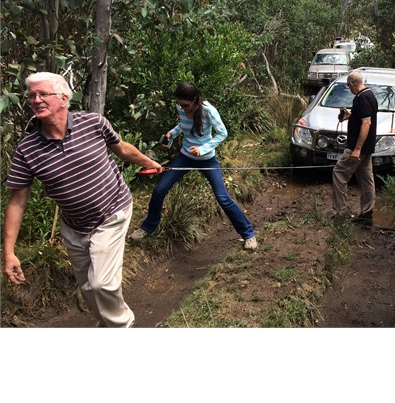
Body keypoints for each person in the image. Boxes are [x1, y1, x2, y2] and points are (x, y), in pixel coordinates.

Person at [3, 72, 162, 327]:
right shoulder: (27, 149)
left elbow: (121, 148)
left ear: (64, 98)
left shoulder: (94, 123)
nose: (36, 100)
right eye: (32, 95)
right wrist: (9, 253)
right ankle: (107, 323)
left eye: (43, 94)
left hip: (112, 212)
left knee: (101, 283)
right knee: (88, 287)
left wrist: (149, 162)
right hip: (75, 226)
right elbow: (17, 202)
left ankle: (123, 327)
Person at [129, 82, 258, 250]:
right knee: (159, 190)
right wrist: (172, 134)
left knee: (223, 198)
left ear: (195, 100)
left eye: (185, 105)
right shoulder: (181, 107)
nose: (182, 108)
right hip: (185, 157)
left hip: (207, 159)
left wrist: (203, 149)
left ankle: (248, 234)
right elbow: (183, 125)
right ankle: (147, 227)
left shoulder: (208, 111)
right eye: (179, 104)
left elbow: (223, 133)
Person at [331, 70, 378, 226]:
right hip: (368, 148)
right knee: (366, 179)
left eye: (348, 86)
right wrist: (349, 116)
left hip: (357, 148)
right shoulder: (369, 95)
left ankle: (340, 213)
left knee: (339, 174)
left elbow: (366, 123)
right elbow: (363, 117)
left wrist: (357, 149)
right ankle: (366, 214)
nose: (349, 89)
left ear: (351, 84)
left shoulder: (362, 98)